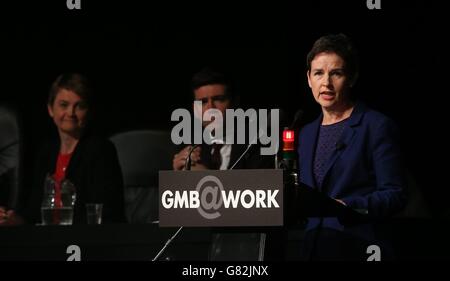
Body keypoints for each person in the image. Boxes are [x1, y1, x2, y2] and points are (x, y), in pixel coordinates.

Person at [297, 34, 407, 260]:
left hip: (359, 247)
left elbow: (395, 195)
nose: (326, 83)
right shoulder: (305, 133)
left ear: (352, 77)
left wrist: (348, 206)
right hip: (313, 249)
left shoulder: (376, 126)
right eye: (318, 73)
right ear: (309, 79)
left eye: (336, 73)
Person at [172, 67, 279, 261]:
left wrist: (204, 176)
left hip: (246, 248)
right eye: (202, 102)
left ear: (235, 102)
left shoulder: (258, 143)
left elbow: (259, 205)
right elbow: (184, 213)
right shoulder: (192, 147)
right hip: (200, 248)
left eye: (219, 99)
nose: (210, 108)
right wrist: (179, 181)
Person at [0, 73, 125, 226]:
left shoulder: (100, 150)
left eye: (79, 106)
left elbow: (106, 214)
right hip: (50, 242)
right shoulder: (46, 153)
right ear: (50, 109)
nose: (71, 113)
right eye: (64, 105)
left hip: (85, 243)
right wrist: (12, 219)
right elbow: (33, 212)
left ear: (89, 112)